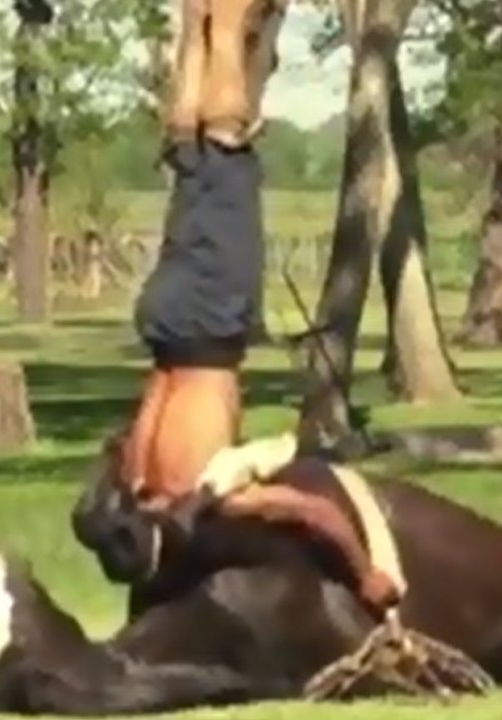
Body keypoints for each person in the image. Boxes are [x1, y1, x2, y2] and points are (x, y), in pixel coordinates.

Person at [118, 0, 401, 614]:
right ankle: (198, 22)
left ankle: (220, 14)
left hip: (206, 330)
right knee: (190, 158)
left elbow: (312, 512)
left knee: (225, 150)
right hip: (165, 325)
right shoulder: (136, 479)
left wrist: (364, 573)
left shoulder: (197, 491)